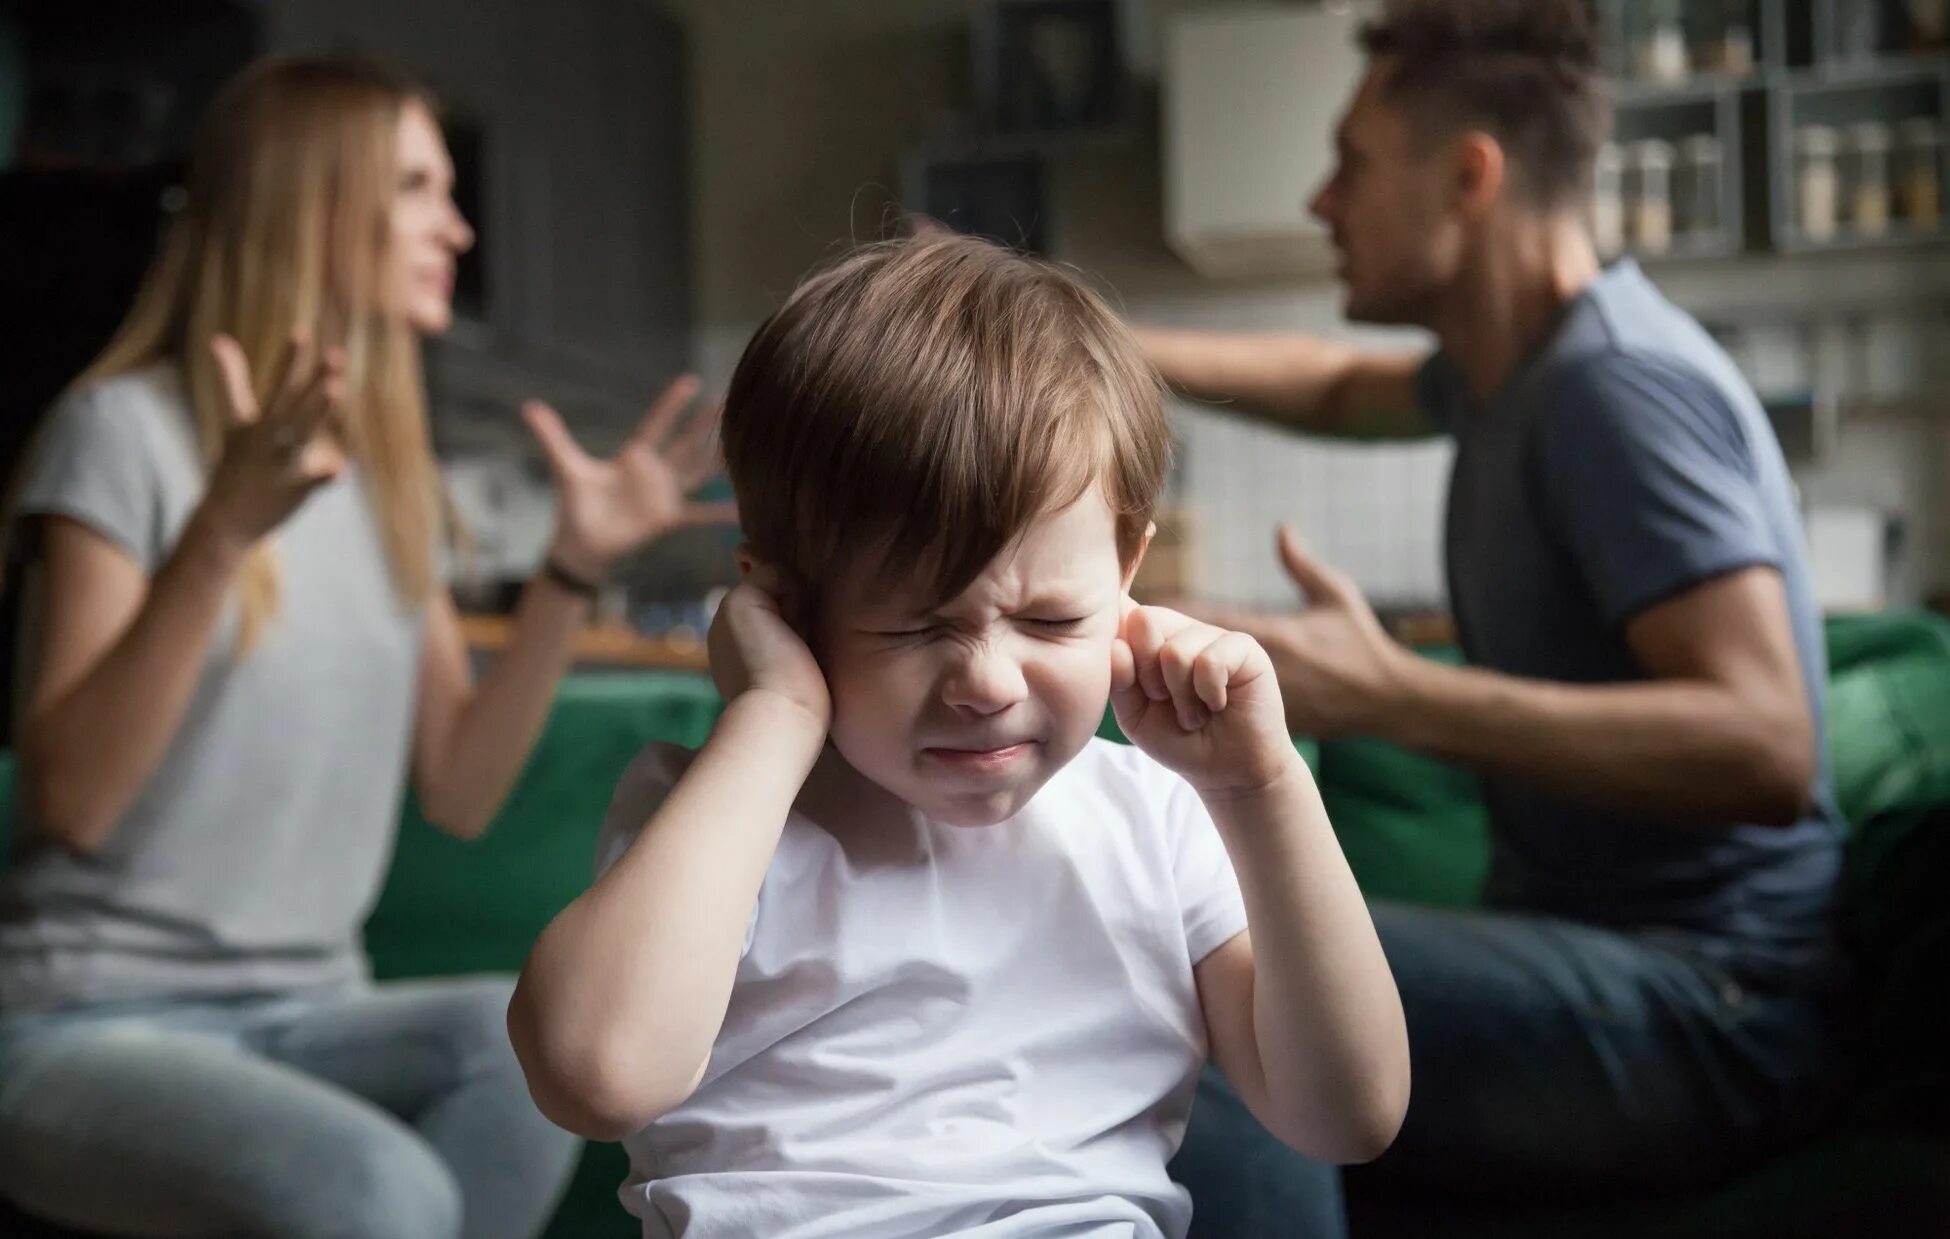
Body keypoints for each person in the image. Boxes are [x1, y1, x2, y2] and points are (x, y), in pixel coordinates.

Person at [506, 233, 1411, 1238]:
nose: (985, 682)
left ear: (1127, 573)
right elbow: (594, 1075)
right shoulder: (723, 818)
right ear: (785, 607)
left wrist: (1263, 791)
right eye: (913, 626)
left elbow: (1350, 1112)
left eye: (1052, 620)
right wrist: (776, 715)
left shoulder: (1160, 818)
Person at [0, 56, 730, 1239]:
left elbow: (461, 784)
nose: (457, 224)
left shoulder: (389, 476)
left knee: (523, 1055)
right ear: (312, 205)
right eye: (415, 188)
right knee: (380, 1194)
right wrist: (221, 532)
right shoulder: (120, 431)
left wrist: (570, 570)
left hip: (309, 1011)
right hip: (83, 1022)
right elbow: (70, 799)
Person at [1135, 0, 1845, 1210]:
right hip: (1644, 979)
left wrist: (1391, 696)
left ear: (1471, 176)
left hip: (1711, 1011)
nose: (1321, 203)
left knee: (1200, 986)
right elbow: (1329, 380)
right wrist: (1084, 336)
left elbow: (1767, 744)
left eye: (1351, 163)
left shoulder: (1609, 390)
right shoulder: (1512, 372)